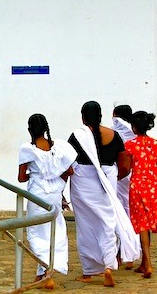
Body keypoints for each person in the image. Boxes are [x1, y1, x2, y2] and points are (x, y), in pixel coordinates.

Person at [68, 101, 138, 287]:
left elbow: (67, 164)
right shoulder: (114, 136)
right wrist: (110, 180)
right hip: (107, 183)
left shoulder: (77, 136)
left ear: (83, 117)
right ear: (100, 116)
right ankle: (108, 266)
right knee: (107, 224)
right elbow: (124, 166)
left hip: (83, 183)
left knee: (86, 226)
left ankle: (90, 271)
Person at [18, 114, 77, 289]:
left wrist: (36, 174)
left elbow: (21, 178)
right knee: (55, 231)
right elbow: (70, 172)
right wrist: (55, 180)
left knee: (36, 232)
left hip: (38, 194)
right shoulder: (57, 148)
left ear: (29, 129)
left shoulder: (28, 149)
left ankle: (47, 272)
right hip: (55, 194)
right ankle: (42, 274)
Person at [124, 111, 157, 278]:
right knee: (148, 224)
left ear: (134, 127)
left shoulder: (130, 145)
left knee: (142, 225)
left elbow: (127, 168)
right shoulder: (155, 144)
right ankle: (144, 263)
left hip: (137, 186)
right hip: (153, 187)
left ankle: (148, 264)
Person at [112, 104, 136, 269]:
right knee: (130, 214)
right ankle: (131, 252)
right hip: (133, 177)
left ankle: (120, 254)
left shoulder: (115, 134)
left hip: (119, 176)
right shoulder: (134, 135)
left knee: (117, 215)